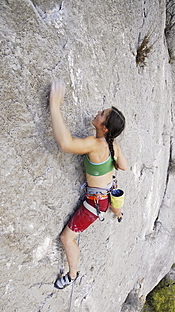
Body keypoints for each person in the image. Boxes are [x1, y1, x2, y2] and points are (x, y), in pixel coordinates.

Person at [50, 80, 127, 289]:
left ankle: (73, 275)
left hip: (96, 204)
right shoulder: (113, 144)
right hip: (108, 194)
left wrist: (55, 107)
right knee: (112, 197)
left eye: (101, 113)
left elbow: (66, 144)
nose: (97, 112)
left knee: (67, 238)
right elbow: (124, 166)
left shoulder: (95, 144)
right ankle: (118, 213)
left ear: (104, 127)